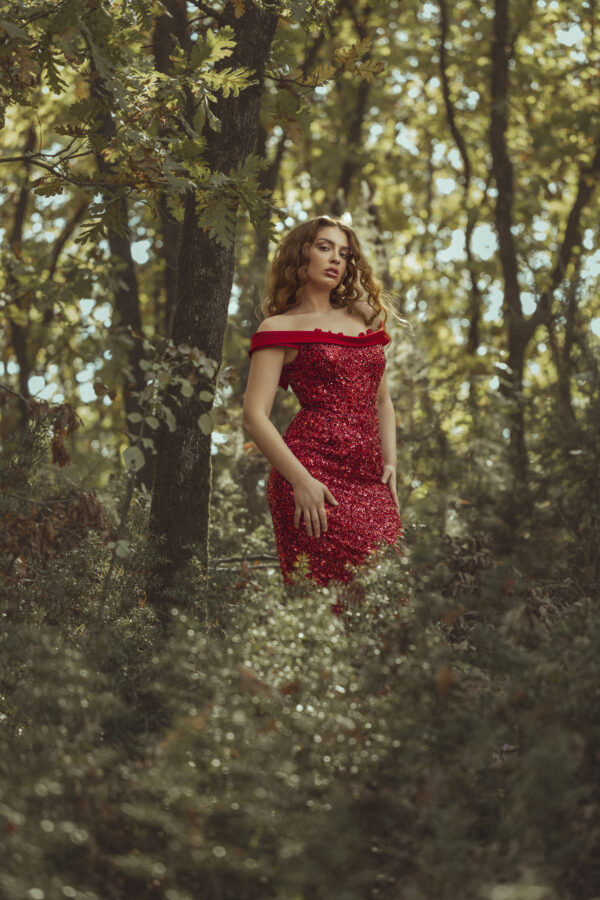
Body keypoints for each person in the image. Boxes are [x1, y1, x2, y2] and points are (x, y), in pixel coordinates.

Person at [242, 214, 403, 597]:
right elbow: (253, 416)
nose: (336, 260)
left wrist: (391, 465)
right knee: (329, 604)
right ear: (302, 255)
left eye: (344, 254)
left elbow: (382, 401)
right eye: (324, 248)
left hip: (370, 480)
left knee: (393, 591)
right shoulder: (279, 327)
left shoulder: (364, 317)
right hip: (312, 477)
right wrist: (301, 481)